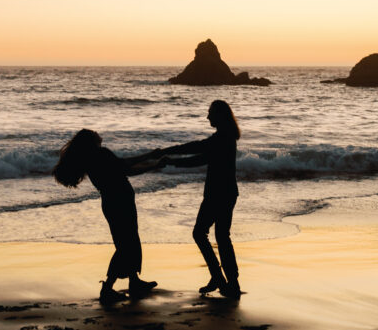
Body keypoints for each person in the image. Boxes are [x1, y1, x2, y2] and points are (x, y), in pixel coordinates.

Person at [53, 129, 163, 302]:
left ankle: (134, 282)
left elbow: (124, 165)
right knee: (126, 244)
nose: (99, 135)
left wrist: (150, 158)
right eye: (96, 133)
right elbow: (127, 168)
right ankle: (107, 288)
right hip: (120, 201)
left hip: (112, 202)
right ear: (91, 140)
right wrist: (153, 163)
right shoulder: (101, 154)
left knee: (127, 240)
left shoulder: (90, 159)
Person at [160, 100, 242, 298]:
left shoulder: (222, 138)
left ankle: (220, 278)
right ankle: (230, 282)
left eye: (210, 113)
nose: (207, 117)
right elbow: (198, 148)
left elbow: (198, 155)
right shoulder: (226, 137)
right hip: (227, 192)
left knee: (201, 233)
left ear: (219, 116)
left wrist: (170, 158)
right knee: (222, 237)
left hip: (218, 194)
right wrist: (169, 153)